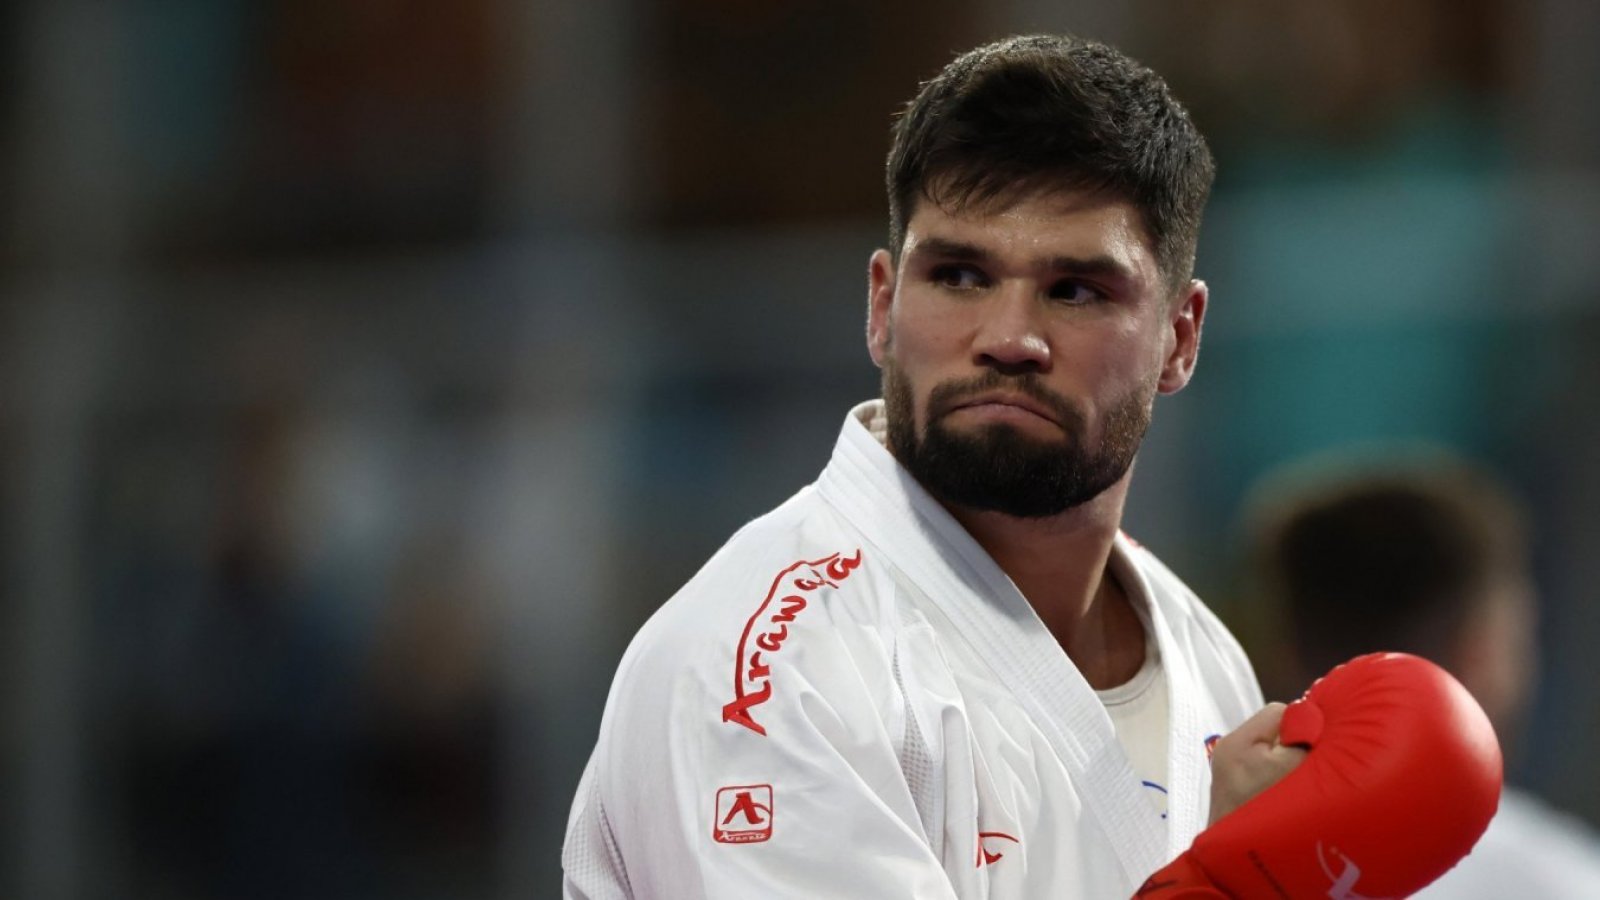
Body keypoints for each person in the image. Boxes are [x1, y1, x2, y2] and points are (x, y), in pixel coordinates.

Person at [563, 34, 1298, 899]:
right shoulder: (764, 672)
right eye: (958, 275)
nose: (1009, 339)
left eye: (1075, 291)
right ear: (882, 306)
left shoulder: (1204, 657)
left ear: (1180, 337)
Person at [1245, 454, 1600, 898]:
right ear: (1482, 650)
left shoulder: (1190, 845)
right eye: (1521, 637)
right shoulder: (1559, 883)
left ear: (1284, 649)